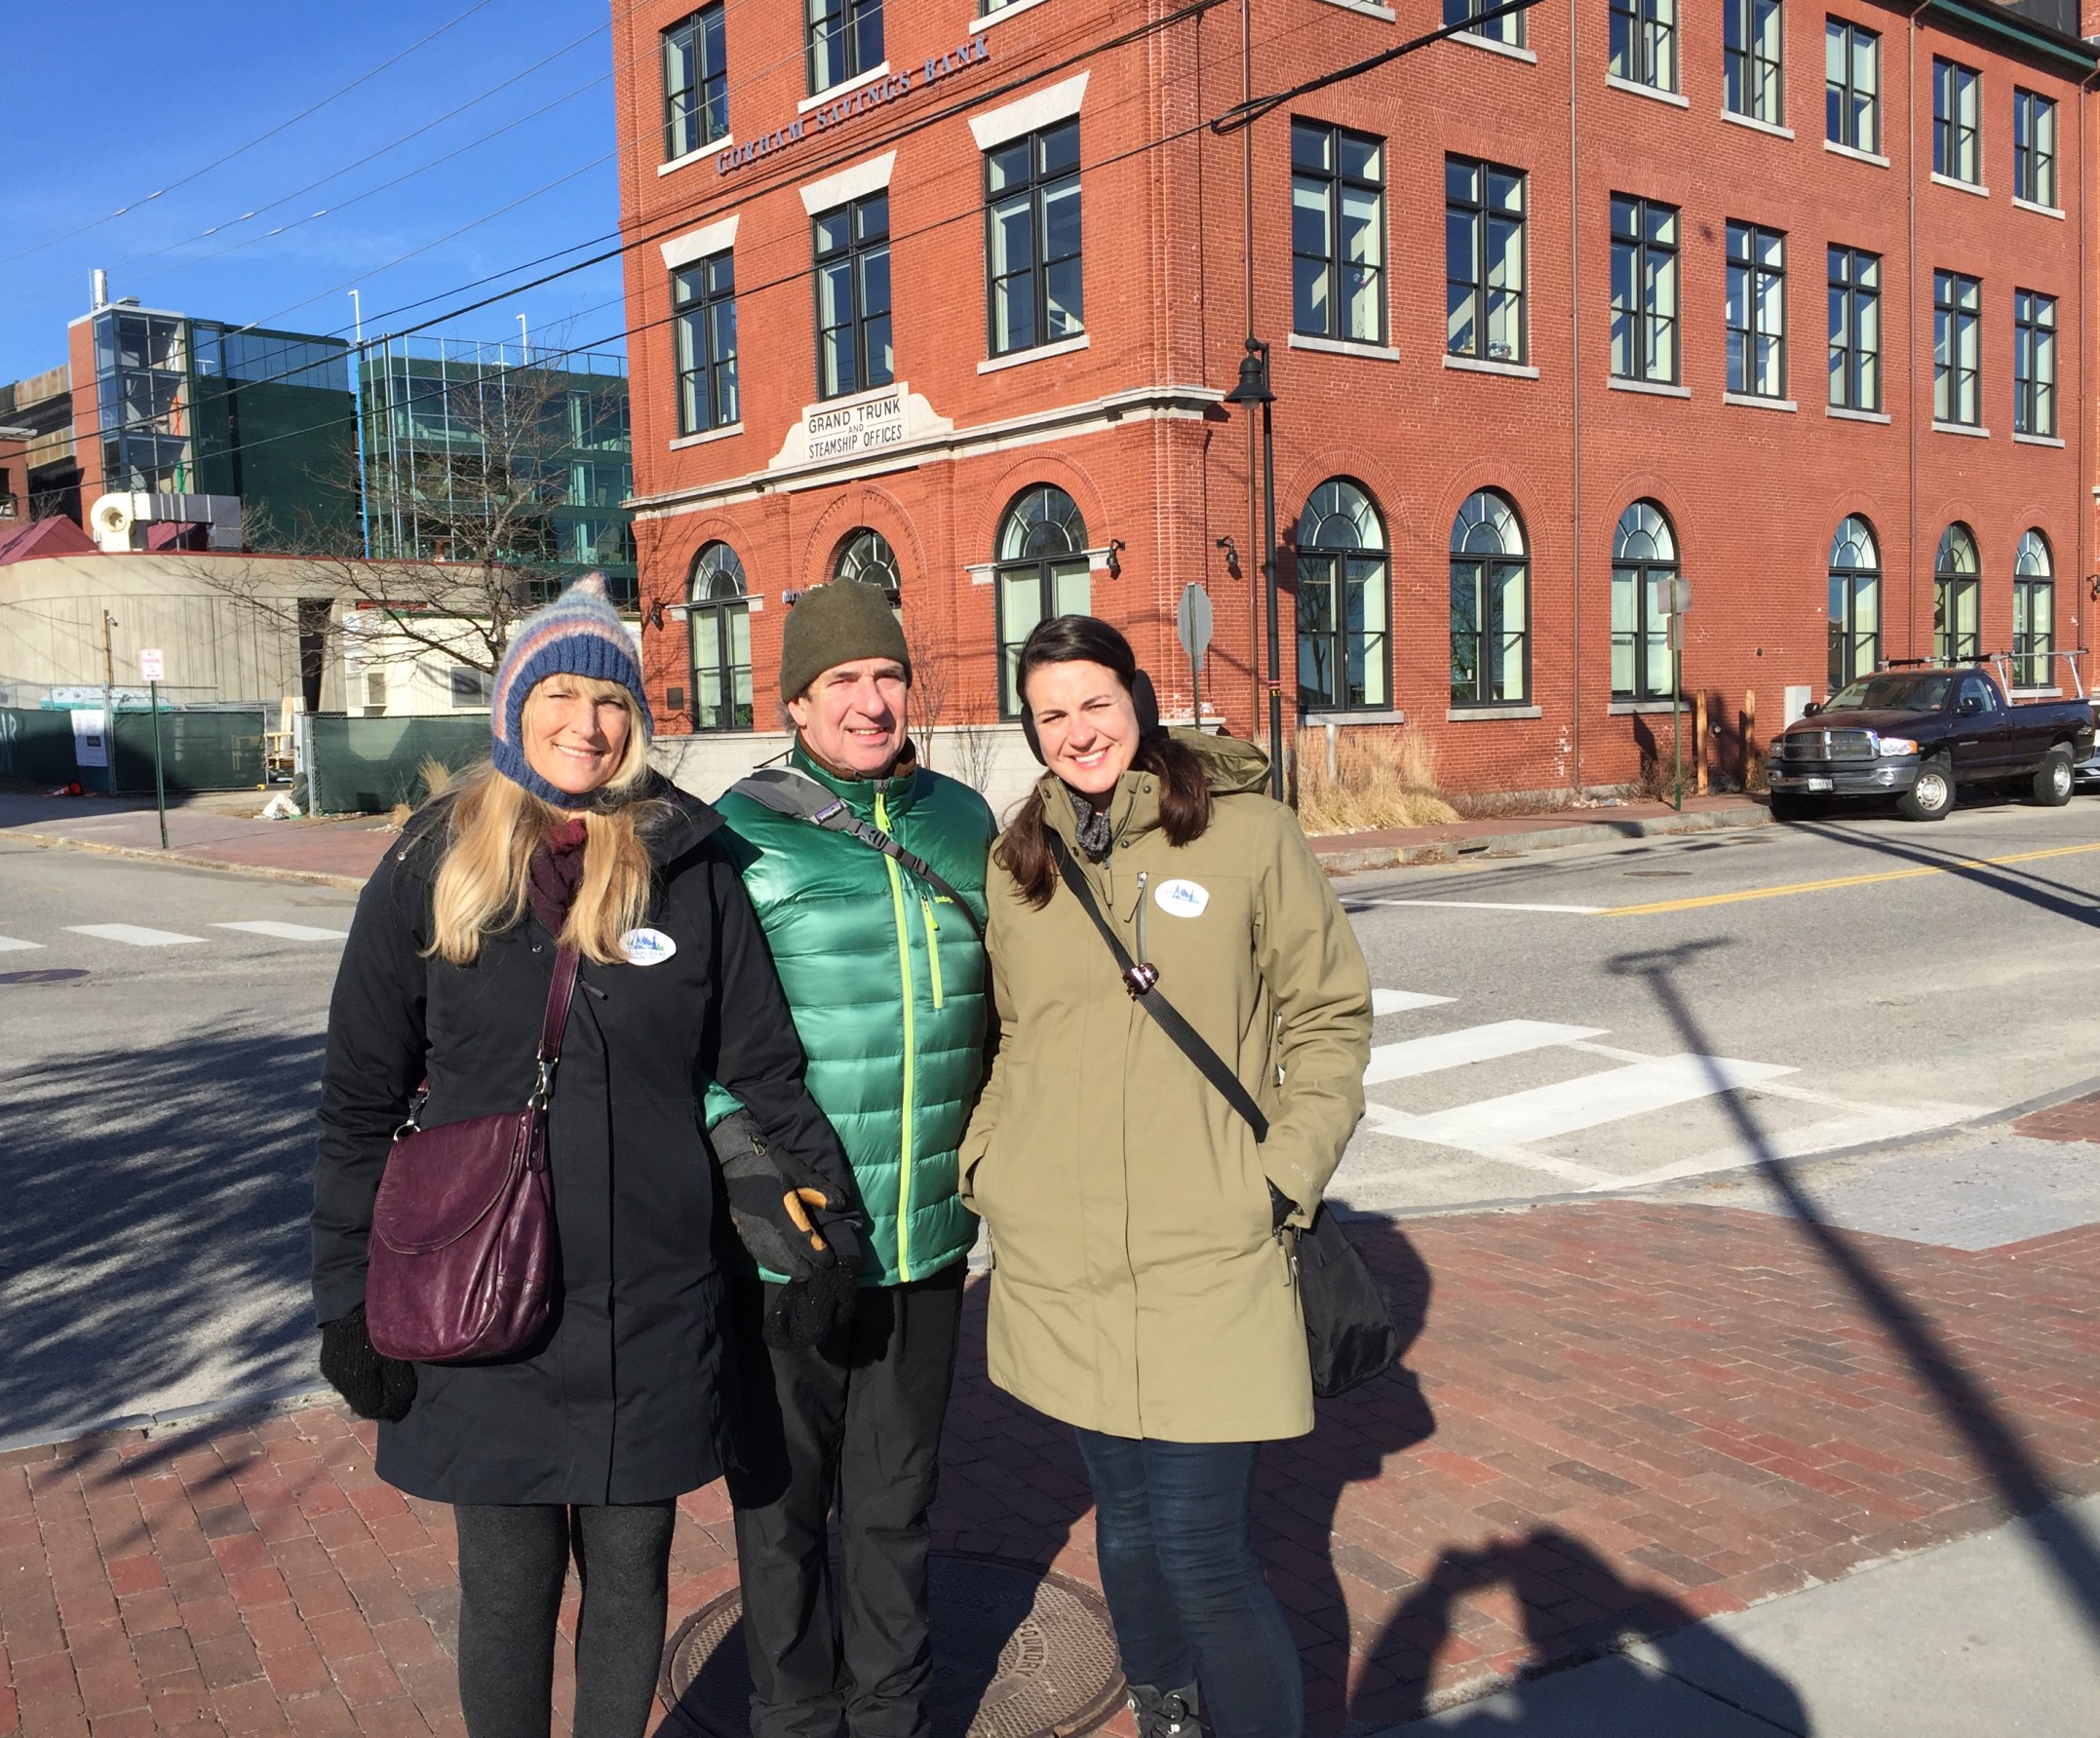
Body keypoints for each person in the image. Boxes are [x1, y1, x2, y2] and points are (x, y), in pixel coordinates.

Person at [310, 575, 860, 1738]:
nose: (588, 723)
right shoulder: (431, 864)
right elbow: (358, 1104)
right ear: (514, 709)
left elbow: (765, 1071)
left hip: (652, 1300)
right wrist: (344, 1303)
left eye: (609, 698)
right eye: (558, 692)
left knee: (629, 1584)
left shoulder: (692, 864)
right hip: (478, 1290)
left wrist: (829, 1233)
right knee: (507, 1591)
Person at [958, 613, 1373, 1738]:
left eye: (1094, 701)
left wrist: (1277, 1177)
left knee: (1201, 1549)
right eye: (1051, 714)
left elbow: (1328, 1022)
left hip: (1209, 1249)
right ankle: (1168, 1717)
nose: (1077, 730)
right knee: (1127, 1530)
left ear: (1138, 698)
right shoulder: (1018, 863)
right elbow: (1011, 1036)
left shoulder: (1251, 835)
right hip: (1064, 1252)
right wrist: (989, 1166)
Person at [706, 577, 996, 1738]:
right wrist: (756, 1186)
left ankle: (890, 1714)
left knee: (896, 1503)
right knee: (781, 1508)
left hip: (924, 1234)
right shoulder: (736, 832)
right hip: (795, 1238)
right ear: (796, 702)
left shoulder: (962, 819)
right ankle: (791, 1715)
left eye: (886, 676)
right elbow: (704, 1036)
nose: (870, 703)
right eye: (843, 682)